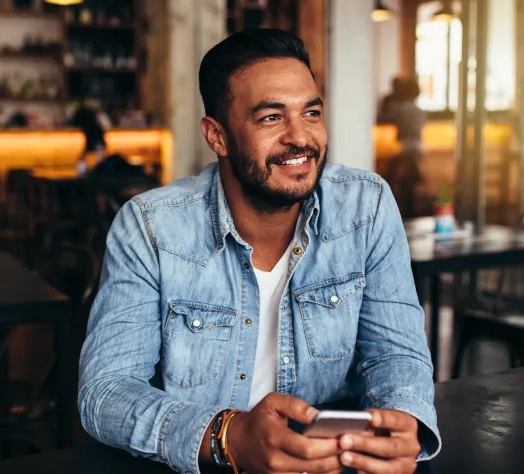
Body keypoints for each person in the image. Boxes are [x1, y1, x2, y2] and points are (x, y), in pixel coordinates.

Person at [79, 29, 441, 474]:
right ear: (218, 136)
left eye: (311, 112)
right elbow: (106, 392)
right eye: (271, 118)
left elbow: (396, 353)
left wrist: (403, 421)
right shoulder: (151, 227)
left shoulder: (365, 206)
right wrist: (227, 436)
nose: (300, 138)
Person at [377, 77, 426, 217]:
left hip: (403, 146)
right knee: (408, 176)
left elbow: (383, 119)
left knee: (398, 176)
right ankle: (409, 205)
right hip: (418, 146)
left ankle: (399, 206)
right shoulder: (419, 111)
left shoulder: (398, 109)